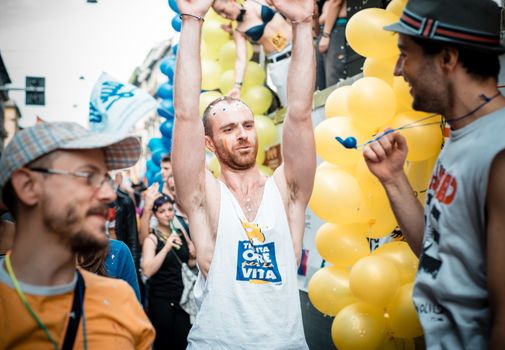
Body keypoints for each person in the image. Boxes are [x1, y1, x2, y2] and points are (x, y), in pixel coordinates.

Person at [363, 0, 505, 348]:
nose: (397, 70)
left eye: (406, 54)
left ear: (448, 59)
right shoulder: (462, 140)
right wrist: (393, 179)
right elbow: (438, 255)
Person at [172, 0, 316, 347]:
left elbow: (299, 112)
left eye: (248, 125)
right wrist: (192, 19)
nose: (242, 133)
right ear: (209, 142)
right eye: (229, 128)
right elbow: (186, 114)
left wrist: (303, 25)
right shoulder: (203, 196)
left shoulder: (287, 190)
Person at [0, 122, 155, 349]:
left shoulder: (120, 301)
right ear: (28, 186)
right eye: (87, 175)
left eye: (105, 179)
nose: (109, 194)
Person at [212, 0, 293, 106]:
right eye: (219, 14)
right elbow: (241, 59)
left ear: (231, 1)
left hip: (298, 47)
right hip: (279, 63)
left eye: (222, 10)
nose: (223, 15)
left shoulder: (255, 1)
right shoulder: (239, 31)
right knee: (290, 105)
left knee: (315, 93)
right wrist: (237, 86)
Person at [141, 194, 196, 350]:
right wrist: (166, 246)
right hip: (161, 299)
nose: (168, 214)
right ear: (155, 214)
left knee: (182, 341)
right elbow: (147, 270)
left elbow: (188, 262)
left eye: (170, 209)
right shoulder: (151, 239)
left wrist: (194, 254)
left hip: (182, 297)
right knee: (164, 343)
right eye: (162, 211)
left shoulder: (179, 232)